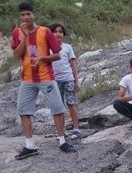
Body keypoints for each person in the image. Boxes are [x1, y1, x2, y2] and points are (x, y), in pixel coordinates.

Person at [10, 1, 76, 160]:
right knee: (23, 110)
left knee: (57, 108)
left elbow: (58, 55)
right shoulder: (17, 32)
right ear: (20, 16)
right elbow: (17, 55)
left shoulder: (45, 32)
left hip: (46, 77)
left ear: (33, 15)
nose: (26, 17)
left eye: (28, 14)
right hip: (27, 78)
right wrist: (25, 38)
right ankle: (30, 145)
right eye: (22, 14)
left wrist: (42, 59)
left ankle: (62, 141)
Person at [48, 22, 81, 138]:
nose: (58, 34)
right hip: (54, 81)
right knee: (58, 106)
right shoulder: (48, 48)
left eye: (60, 32)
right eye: (55, 31)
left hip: (68, 79)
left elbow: (73, 65)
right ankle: (61, 131)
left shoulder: (67, 47)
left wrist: (76, 81)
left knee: (71, 103)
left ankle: (76, 128)